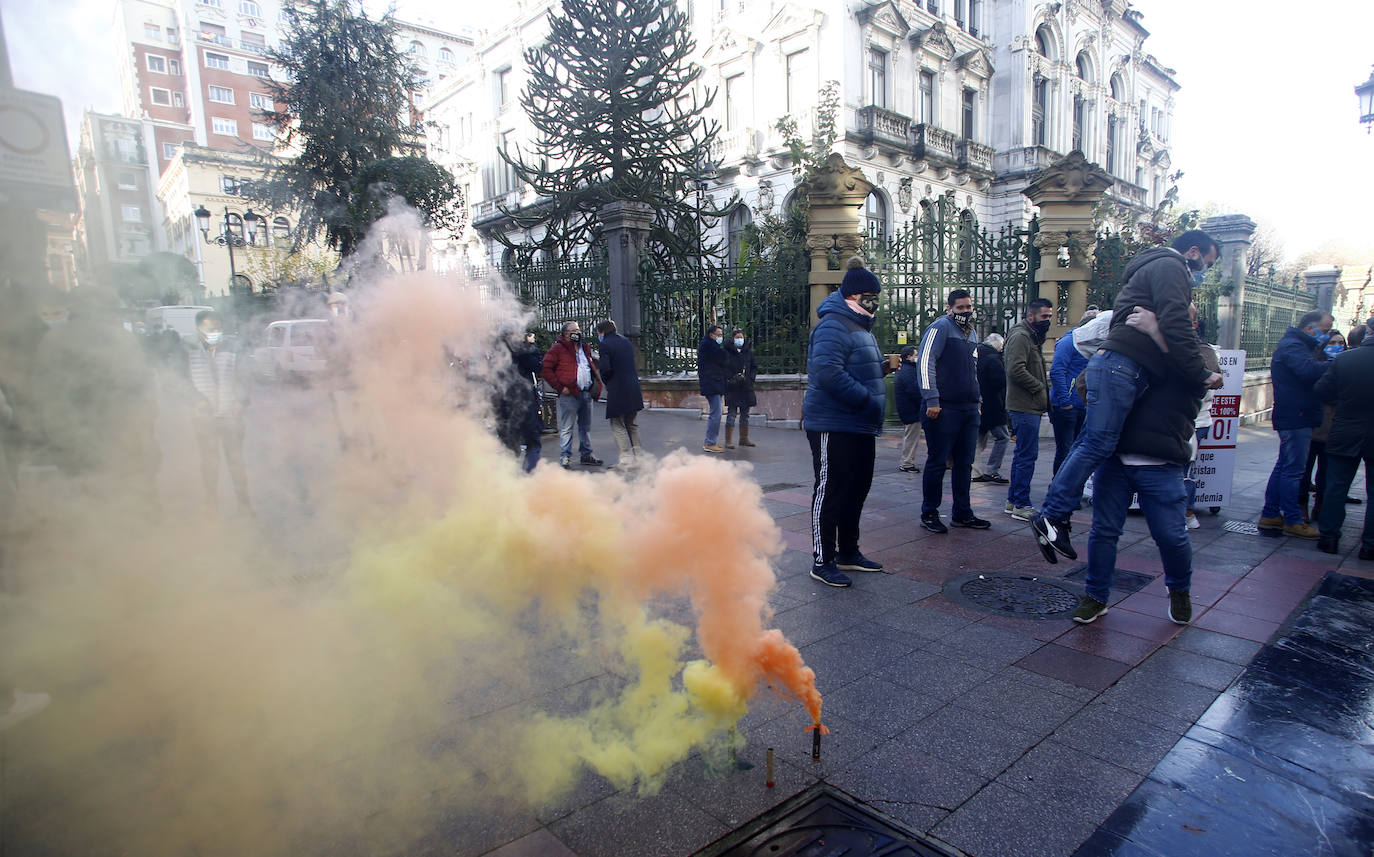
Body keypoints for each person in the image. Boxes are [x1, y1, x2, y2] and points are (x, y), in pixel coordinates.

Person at [1030, 230, 1225, 563]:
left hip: (1116, 366)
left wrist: (1153, 329)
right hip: (1122, 367)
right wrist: (1202, 372)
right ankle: (1052, 514)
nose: (1202, 272)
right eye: (1206, 263)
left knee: (1091, 442)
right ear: (1192, 251)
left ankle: (1054, 515)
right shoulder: (1171, 266)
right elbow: (1177, 326)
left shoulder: (1148, 271)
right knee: (1096, 443)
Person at [1071, 340, 1206, 627]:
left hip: (1162, 461)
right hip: (1116, 458)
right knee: (1104, 532)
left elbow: (1203, 381)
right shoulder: (1122, 347)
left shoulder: (1195, 352)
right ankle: (1096, 595)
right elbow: (1085, 383)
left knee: (1172, 534)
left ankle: (1179, 588)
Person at [803, 257, 887, 587]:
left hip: (858, 425)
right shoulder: (833, 325)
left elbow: (853, 368)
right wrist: (866, 399)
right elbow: (827, 373)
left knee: (856, 489)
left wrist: (880, 370)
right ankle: (823, 560)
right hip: (833, 423)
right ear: (853, 296)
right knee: (831, 491)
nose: (875, 301)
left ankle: (848, 552)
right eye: (870, 295)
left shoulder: (859, 326)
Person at [917, 289, 991, 533]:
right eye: (960, 308)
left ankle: (962, 512)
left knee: (964, 463)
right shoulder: (940, 328)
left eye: (968, 307)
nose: (966, 311)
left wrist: (977, 402)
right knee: (938, 462)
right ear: (950, 308)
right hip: (943, 408)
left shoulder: (971, 333)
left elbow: (974, 368)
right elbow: (925, 361)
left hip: (968, 409)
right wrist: (931, 399)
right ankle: (929, 513)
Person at [1257, 309, 1333, 539]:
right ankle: (1292, 519)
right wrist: (1333, 363)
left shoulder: (1298, 345)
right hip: (1296, 415)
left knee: (1285, 466)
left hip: (1297, 414)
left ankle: (1271, 514)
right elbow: (1308, 371)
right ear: (1310, 328)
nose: (1327, 336)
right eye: (1325, 330)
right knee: (1293, 470)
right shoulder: (1293, 346)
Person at [1314, 319, 1374, 559]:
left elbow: (1322, 390)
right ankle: (1370, 545)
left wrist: (1343, 401)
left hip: (1346, 428)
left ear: (1369, 331)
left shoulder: (1345, 359)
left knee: (1336, 487)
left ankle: (1329, 538)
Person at [183, 310, 252, 514]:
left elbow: (245, 375)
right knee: (210, 463)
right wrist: (196, 401)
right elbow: (179, 381)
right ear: (198, 329)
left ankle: (244, 505)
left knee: (236, 461)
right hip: (204, 418)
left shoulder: (233, 347)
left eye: (219, 328)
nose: (216, 332)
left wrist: (241, 400)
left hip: (231, 417)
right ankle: (211, 504)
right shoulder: (187, 349)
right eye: (211, 329)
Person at [1003, 298, 1053, 521]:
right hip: (1024, 405)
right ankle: (1021, 503)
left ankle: (1014, 502)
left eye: (1050, 317)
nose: (1047, 321)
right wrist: (1039, 387)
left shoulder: (1029, 336)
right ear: (1031, 316)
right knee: (1026, 456)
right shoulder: (1022, 336)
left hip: (1027, 404)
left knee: (1024, 455)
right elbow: (1015, 369)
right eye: (1044, 316)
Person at [541, 321, 604, 469]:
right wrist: (560, 387)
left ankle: (586, 454)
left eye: (578, 329)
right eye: (574, 330)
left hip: (585, 391)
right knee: (567, 427)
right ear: (566, 334)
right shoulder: (558, 349)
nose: (578, 332)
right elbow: (545, 368)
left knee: (585, 426)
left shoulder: (584, 347)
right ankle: (565, 457)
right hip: (569, 394)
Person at [1301, 330, 1345, 523]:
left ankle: (1320, 506)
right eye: (1332, 342)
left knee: (1326, 474)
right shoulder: (1315, 365)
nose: (1337, 346)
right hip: (1313, 427)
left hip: (1334, 430)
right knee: (1304, 471)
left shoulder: (1346, 365)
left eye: (1340, 343)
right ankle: (1301, 506)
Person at [1048, 312, 1094, 477]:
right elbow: (1057, 371)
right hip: (1067, 406)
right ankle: (1059, 490)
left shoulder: (1091, 344)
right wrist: (1065, 401)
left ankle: (1070, 491)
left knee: (1077, 451)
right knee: (1065, 451)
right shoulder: (1068, 342)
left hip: (1082, 405)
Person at [595, 320, 644, 468]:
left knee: (617, 424)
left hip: (618, 389)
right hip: (633, 388)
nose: (599, 336)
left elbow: (606, 368)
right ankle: (640, 459)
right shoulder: (626, 342)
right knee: (631, 424)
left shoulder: (604, 344)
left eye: (598, 333)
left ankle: (625, 461)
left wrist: (606, 380)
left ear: (602, 332)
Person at [498, 331, 544, 472]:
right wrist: (531, 345)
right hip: (524, 400)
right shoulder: (522, 349)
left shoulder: (496, 350)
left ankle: (510, 478)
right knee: (532, 442)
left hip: (503, 402)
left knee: (510, 445)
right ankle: (530, 476)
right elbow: (537, 365)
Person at [972, 332, 1009, 484]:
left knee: (978, 438)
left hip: (977, 402)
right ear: (999, 346)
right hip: (993, 405)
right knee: (1003, 437)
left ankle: (974, 471)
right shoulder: (994, 359)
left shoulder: (976, 353)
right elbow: (1000, 384)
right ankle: (992, 469)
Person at [723, 328, 758, 449]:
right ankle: (728, 440)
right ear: (733, 339)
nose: (739, 339)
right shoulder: (727, 352)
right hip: (733, 387)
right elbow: (723, 368)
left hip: (746, 386)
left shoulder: (748, 352)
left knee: (745, 414)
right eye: (737, 337)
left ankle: (744, 438)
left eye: (741, 337)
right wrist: (731, 378)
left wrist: (750, 378)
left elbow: (754, 367)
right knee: (731, 414)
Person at [698, 324, 729, 453]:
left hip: (713, 383)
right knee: (716, 414)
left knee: (716, 412)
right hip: (712, 384)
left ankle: (711, 441)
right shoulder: (709, 346)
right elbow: (722, 357)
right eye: (719, 334)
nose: (720, 337)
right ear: (712, 335)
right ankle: (710, 442)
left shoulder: (709, 345)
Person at [894, 344, 923, 473]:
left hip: (910, 409)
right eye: (916, 355)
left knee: (911, 436)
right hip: (911, 410)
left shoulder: (906, 369)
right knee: (911, 437)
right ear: (909, 356)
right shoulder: (908, 370)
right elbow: (914, 390)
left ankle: (907, 462)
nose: (918, 357)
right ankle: (906, 463)